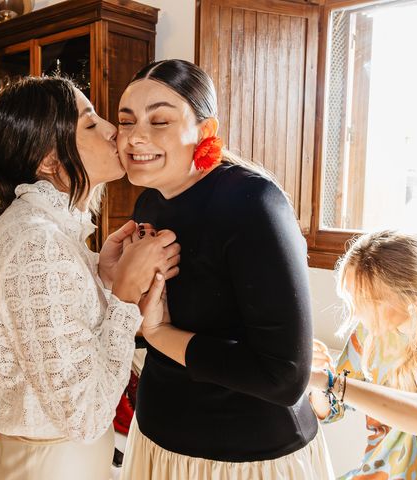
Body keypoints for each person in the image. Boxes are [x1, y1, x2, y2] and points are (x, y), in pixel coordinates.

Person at [117, 59, 334, 479]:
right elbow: (145, 317)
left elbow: (285, 377)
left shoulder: (253, 204)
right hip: (157, 440)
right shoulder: (150, 202)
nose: (135, 136)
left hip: (244, 457)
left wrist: (161, 333)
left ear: (205, 130)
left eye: (159, 120)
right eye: (126, 122)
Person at [0, 76, 180, 480]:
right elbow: (84, 416)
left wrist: (99, 276)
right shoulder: (36, 241)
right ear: (48, 161)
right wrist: (124, 297)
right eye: (89, 123)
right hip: (50, 466)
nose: (112, 130)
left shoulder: (48, 230)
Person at [309, 230, 417, 479]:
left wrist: (331, 383)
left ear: (407, 294)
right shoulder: (368, 335)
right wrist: (319, 381)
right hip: (379, 471)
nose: (356, 311)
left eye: (367, 300)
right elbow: (329, 412)